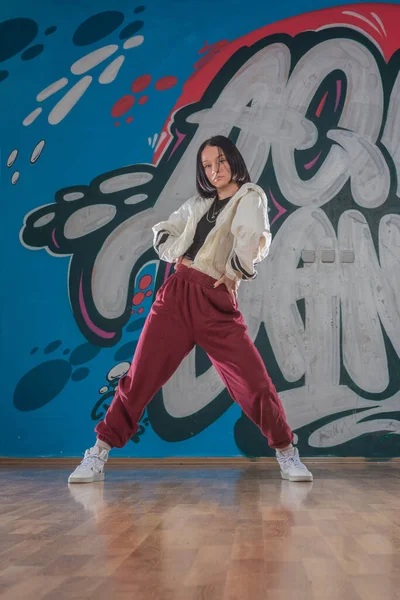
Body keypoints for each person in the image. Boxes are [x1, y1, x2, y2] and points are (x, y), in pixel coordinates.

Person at [68, 135, 313, 484]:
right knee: (139, 377)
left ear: (234, 161)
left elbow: (250, 237)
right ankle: (98, 453)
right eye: (208, 165)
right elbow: (164, 231)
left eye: (222, 161)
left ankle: (287, 452)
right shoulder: (198, 204)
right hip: (176, 295)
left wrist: (233, 273)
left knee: (254, 383)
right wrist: (178, 254)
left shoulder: (250, 196)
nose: (215, 170)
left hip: (215, 301)